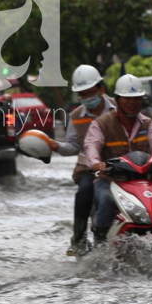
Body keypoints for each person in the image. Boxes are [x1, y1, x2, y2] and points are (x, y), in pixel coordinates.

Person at [83, 74, 152, 242]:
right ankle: (100, 245)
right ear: (118, 99)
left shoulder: (148, 124)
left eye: (136, 98)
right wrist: (96, 163)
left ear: (141, 100)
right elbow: (92, 146)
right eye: (127, 98)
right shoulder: (101, 124)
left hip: (145, 180)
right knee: (106, 200)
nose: (132, 102)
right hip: (111, 180)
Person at [47, 64, 116, 255]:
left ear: (101, 89)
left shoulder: (119, 108)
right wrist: (56, 146)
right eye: (82, 95)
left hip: (119, 164)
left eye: (90, 93)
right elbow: (73, 146)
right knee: (84, 191)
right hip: (88, 167)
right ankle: (79, 238)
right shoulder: (76, 116)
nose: (87, 98)